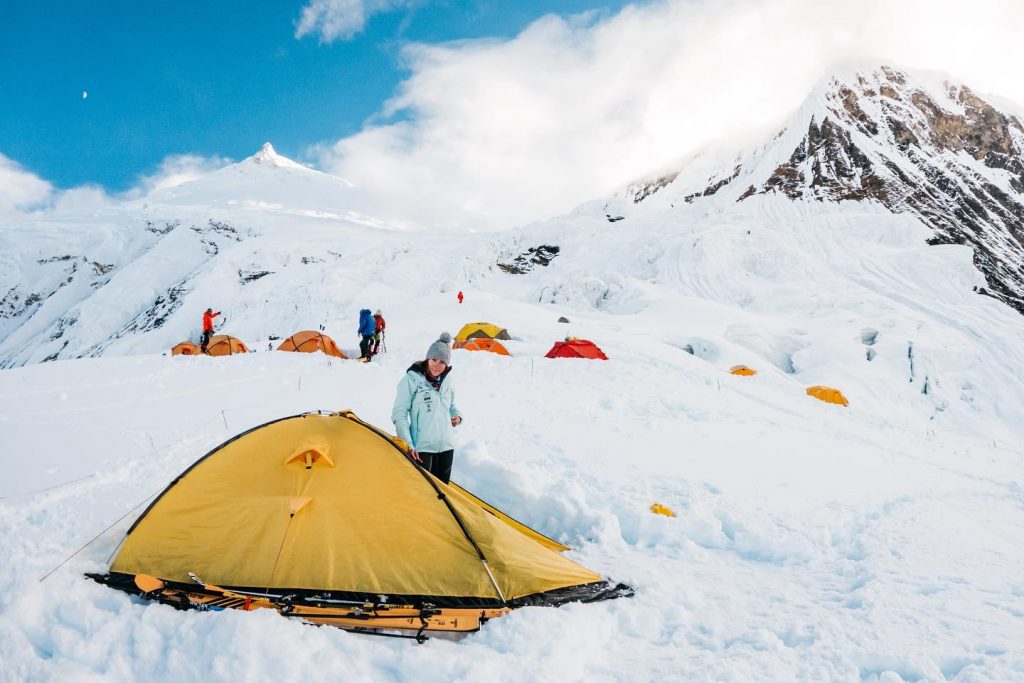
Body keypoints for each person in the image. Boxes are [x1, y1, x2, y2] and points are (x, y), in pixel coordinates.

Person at [391, 332, 463, 483]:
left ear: (447, 364)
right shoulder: (412, 380)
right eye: (434, 359)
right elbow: (399, 413)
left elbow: (452, 405)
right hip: (421, 449)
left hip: (446, 446)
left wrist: (458, 416)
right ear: (427, 358)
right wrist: (408, 444)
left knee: (443, 491)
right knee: (423, 494)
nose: (437, 365)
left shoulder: (448, 380)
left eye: (442, 362)